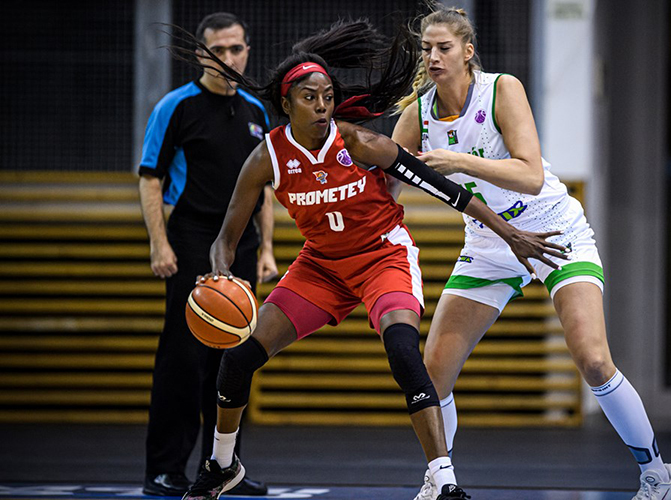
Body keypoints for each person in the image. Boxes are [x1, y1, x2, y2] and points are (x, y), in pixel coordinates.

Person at [167, 18, 567, 500]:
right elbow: (226, 237)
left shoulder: (358, 142)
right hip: (321, 267)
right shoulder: (266, 157)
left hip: (382, 256)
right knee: (238, 359)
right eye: (310, 98)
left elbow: (447, 190)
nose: (322, 106)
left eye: (328, 97)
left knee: (403, 349)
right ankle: (222, 464)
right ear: (287, 104)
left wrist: (510, 234)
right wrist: (219, 271)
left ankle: (444, 482)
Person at [390, 7, 671, 500]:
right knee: (433, 373)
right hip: (490, 242)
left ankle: (659, 477)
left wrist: (458, 161)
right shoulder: (417, 115)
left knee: (593, 360)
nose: (433, 57)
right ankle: (440, 481)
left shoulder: (501, 90)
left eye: (444, 47)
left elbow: (529, 174)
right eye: (426, 49)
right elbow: (385, 187)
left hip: (552, 230)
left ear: (468, 51)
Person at [137, 12, 275, 497]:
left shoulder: (256, 111)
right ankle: (164, 469)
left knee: (235, 359)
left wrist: (267, 250)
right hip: (193, 239)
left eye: (237, 49)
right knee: (184, 357)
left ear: (247, 51)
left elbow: (265, 189)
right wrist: (160, 243)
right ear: (201, 54)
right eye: (219, 50)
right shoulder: (176, 107)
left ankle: (223, 467)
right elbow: (150, 177)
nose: (228, 58)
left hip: (242, 246)